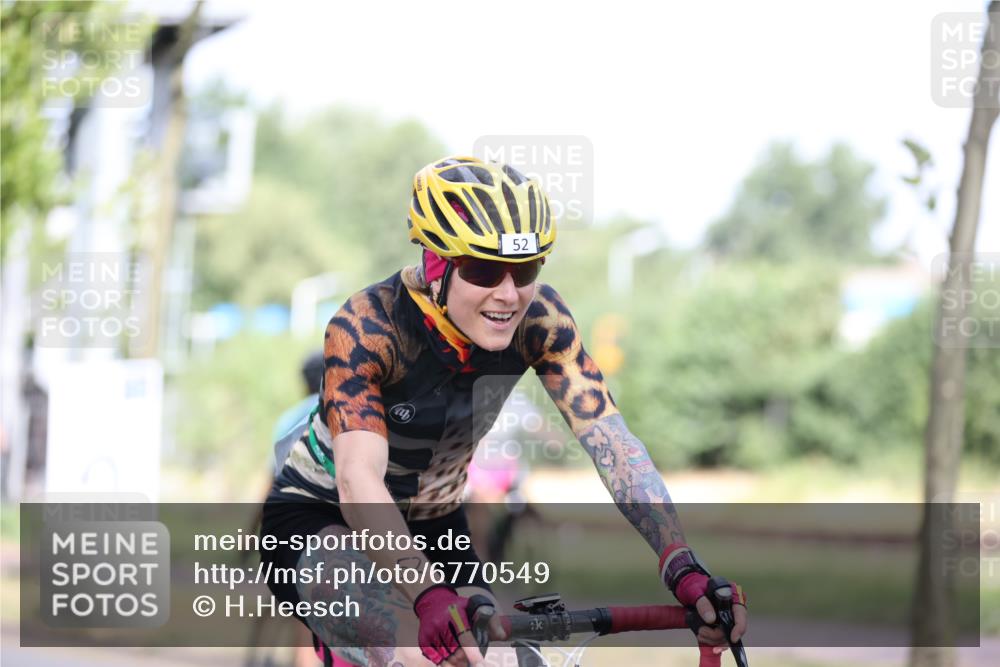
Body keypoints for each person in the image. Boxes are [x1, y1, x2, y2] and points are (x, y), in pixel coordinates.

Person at [260, 156, 748, 667]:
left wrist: (682, 564)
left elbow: (615, 446)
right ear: (435, 265)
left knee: (502, 662)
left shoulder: (541, 321)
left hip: (436, 523)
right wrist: (425, 596)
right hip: (318, 519)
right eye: (484, 270)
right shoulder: (370, 324)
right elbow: (359, 480)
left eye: (526, 269)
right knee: (418, 655)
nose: (508, 294)